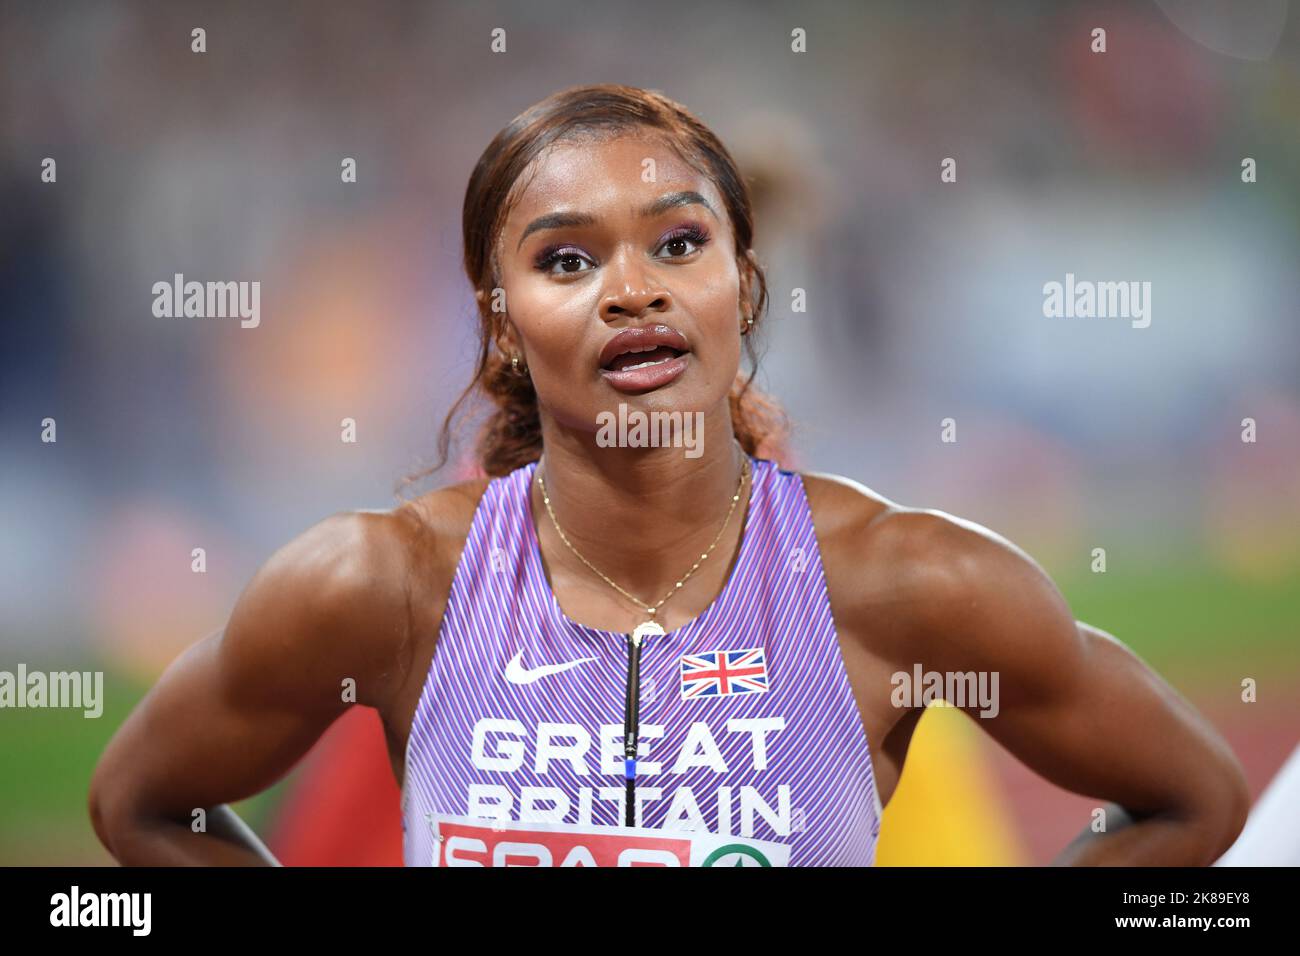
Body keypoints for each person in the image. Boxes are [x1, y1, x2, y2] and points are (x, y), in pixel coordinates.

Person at [89, 83, 1250, 867]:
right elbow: (138, 802)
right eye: (566, 258)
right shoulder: (379, 583)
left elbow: (1192, 799)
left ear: (743, 287)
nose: (632, 288)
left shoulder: (909, 582)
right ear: (498, 323)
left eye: (680, 242)